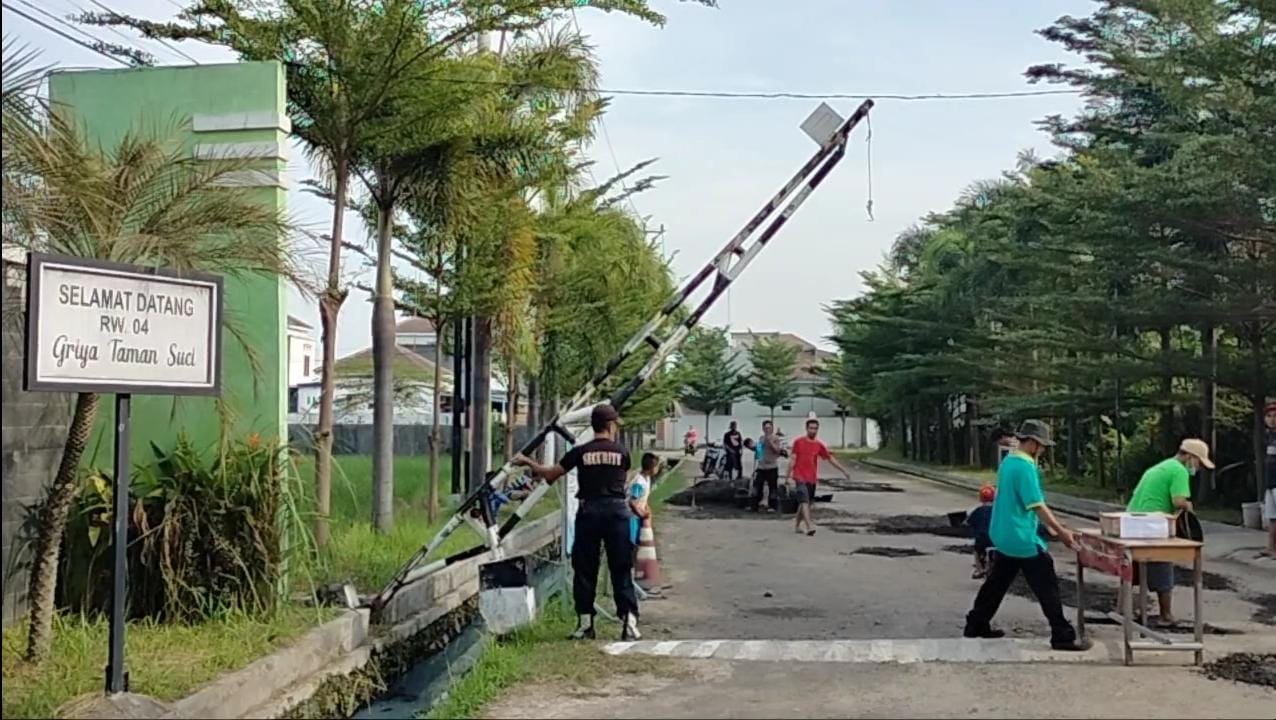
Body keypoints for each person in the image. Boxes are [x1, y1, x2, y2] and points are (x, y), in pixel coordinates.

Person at [514, 403, 640, 641]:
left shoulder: (580, 452)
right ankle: (629, 621)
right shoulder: (622, 453)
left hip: (589, 512)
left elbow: (550, 474)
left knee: (584, 569)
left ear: (593, 426)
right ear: (610, 425)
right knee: (621, 568)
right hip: (617, 513)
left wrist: (527, 462)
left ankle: (585, 624)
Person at [963, 419, 1090, 651]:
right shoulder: (1025, 466)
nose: (1043, 450)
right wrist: (1062, 533)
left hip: (1003, 532)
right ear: (1032, 443)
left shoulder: (1009, 461)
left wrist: (1055, 526)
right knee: (1046, 584)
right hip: (1022, 537)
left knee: (997, 582)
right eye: (1041, 446)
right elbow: (1036, 505)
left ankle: (976, 623)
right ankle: (1061, 634)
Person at [1125, 438, 1213, 626]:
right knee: (1162, 566)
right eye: (1198, 463)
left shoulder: (1160, 467)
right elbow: (1179, 501)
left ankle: (1126, 609)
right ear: (1190, 457)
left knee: (1133, 568)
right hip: (1153, 524)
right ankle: (1166, 615)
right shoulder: (1179, 471)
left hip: (1132, 521)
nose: (1197, 468)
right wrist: (1189, 507)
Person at [785, 418, 851, 536]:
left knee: (805, 502)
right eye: (811, 428)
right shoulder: (798, 442)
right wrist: (787, 476)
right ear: (806, 428)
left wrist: (843, 470)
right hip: (799, 476)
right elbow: (793, 459)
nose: (813, 431)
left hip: (811, 478)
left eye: (815, 428)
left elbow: (830, 458)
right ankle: (809, 525)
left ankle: (796, 525)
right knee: (804, 500)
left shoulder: (818, 445)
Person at [628, 452, 662, 598]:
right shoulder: (639, 481)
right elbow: (632, 501)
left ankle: (635, 580)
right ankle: (630, 582)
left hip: (638, 518)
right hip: (632, 519)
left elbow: (643, 500)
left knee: (637, 549)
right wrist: (641, 513)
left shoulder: (647, 479)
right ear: (651, 467)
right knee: (632, 548)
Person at [751, 420, 784, 512]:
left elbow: (777, 451)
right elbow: (759, 452)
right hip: (762, 467)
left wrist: (770, 441)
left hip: (772, 466)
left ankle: (773, 506)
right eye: (765, 428)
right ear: (763, 429)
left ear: (772, 429)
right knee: (757, 486)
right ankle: (755, 505)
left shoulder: (776, 438)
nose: (767, 430)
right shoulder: (761, 438)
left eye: (769, 428)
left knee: (773, 487)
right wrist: (756, 450)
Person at [966, 485, 996, 579]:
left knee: (976, 550)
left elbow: (970, 522)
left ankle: (979, 570)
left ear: (981, 499)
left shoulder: (978, 511)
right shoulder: (998, 511)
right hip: (996, 538)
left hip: (982, 538)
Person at [1264, 402, 1276, 558]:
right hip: (1270, 482)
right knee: (1272, 517)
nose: (1272, 419)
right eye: (1269, 416)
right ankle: (1270, 547)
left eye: (1275, 416)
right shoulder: (1268, 437)